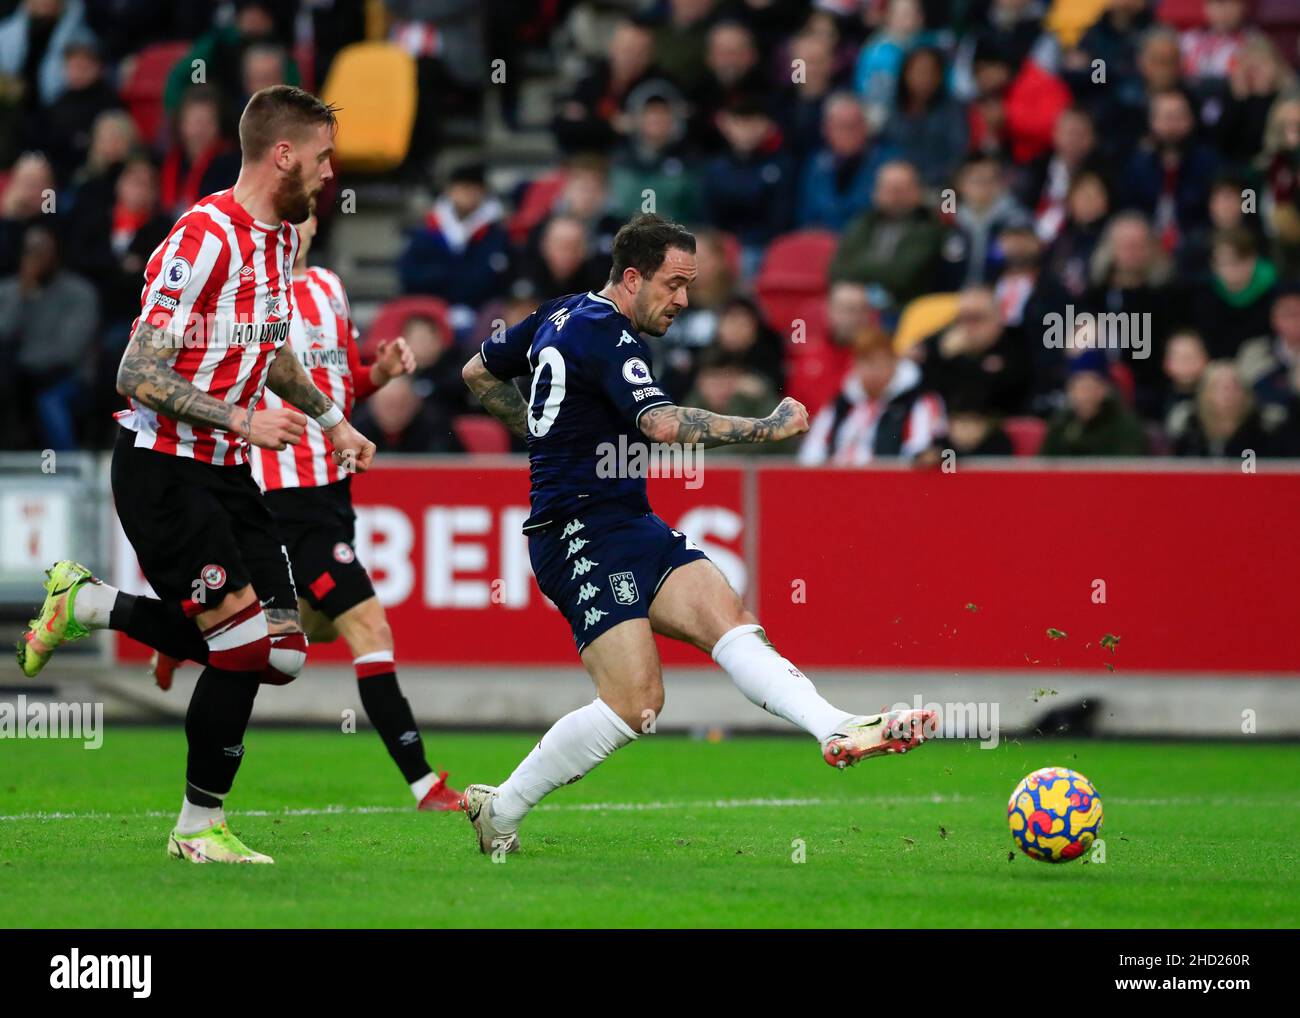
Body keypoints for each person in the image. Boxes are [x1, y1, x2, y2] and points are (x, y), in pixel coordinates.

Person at [458, 213, 935, 855]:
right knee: (636, 703)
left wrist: (541, 435)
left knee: (730, 619)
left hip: (629, 521)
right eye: (674, 284)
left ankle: (836, 726)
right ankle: (502, 809)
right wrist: (767, 428)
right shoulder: (613, 337)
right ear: (633, 277)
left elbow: (476, 374)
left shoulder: (562, 312)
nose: (684, 300)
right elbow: (659, 425)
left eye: (690, 285)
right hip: (575, 533)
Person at [16, 85, 375, 866]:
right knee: (242, 648)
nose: (329, 173)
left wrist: (331, 418)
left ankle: (90, 603)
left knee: (280, 652)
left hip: (226, 471)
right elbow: (133, 370)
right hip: (164, 468)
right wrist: (244, 420)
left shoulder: (281, 240)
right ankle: (196, 829)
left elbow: (268, 349)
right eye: (320, 157)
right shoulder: (202, 236)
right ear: (282, 154)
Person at [143, 214, 462, 813]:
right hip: (284, 496)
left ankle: (188, 630)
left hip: (332, 495)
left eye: (311, 206)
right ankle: (424, 785)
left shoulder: (330, 288)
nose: (305, 215)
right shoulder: (250, 294)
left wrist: (380, 373)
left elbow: (336, 386)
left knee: (299, 632)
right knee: (369, 627)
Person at [798, 325, 945, 466]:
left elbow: (921, 455)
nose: (871, 370)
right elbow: (812, 453)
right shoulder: (839, 405)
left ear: (894, 361)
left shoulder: (920, 402)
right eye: (863, 361)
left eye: (877, 362)